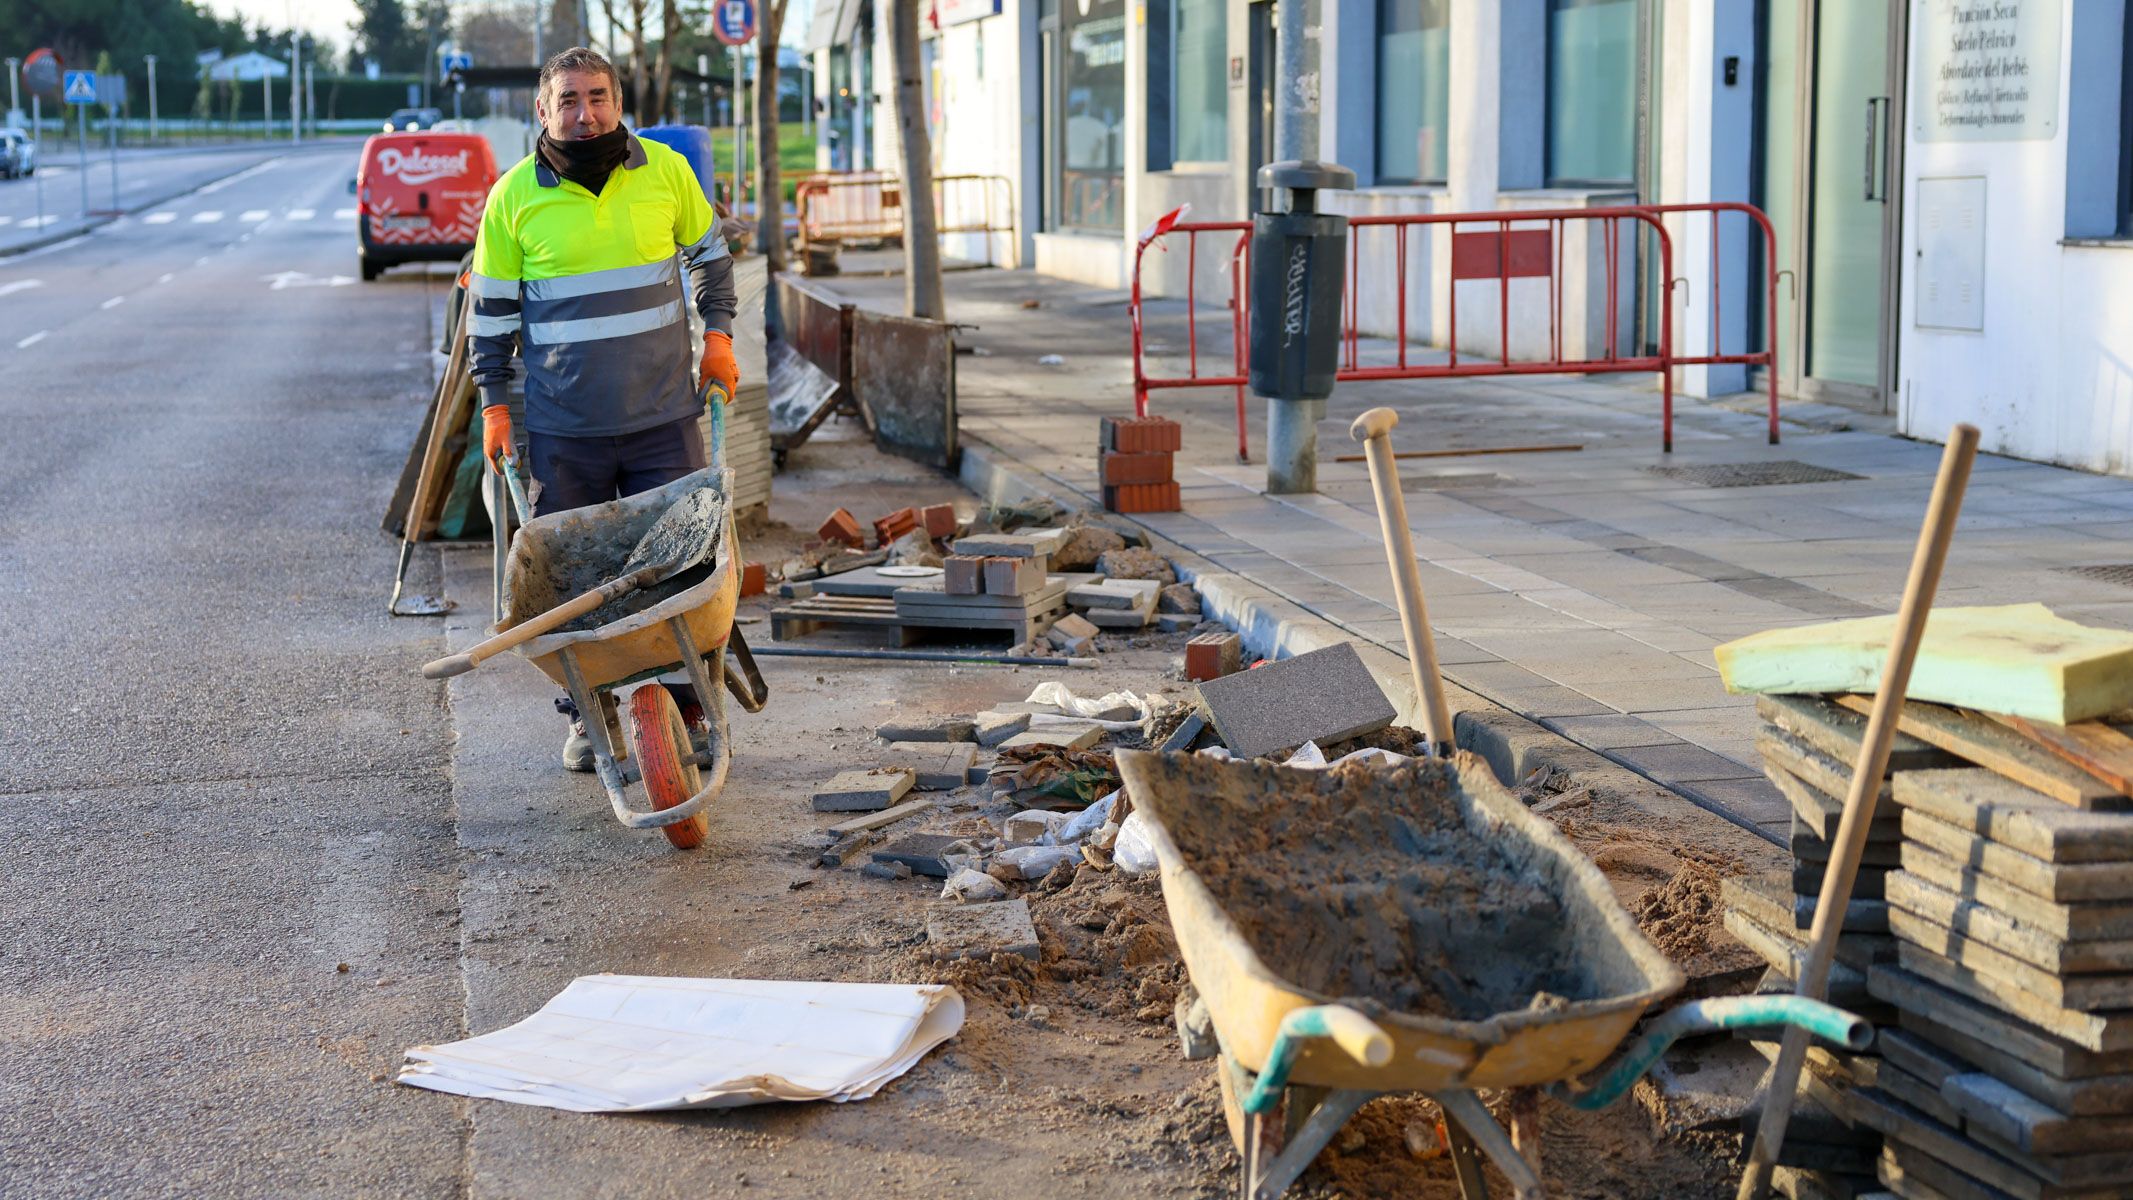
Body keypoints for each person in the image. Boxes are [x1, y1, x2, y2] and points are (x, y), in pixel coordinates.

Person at [467, 45, 738, 772]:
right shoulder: (514, 197)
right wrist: (495, 405)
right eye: (567, 101)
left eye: (597, 98)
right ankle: (590, 716)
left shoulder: (666, 173)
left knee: (681, 569)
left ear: (618, 104)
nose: (584, 115)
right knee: (575, 585)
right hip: (565, 429)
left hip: (663, 420)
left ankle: (691, 707)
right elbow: (489, 316)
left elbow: (711, 257)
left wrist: (717, 339)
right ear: (542, 111)